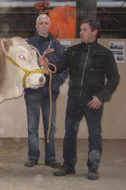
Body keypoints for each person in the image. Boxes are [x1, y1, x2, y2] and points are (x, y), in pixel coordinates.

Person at [41, 19, 120, 180]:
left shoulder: (104, 53)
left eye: (84, 29)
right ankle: (68, 165)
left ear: (94, 32)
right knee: (70, 133)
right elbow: (57, 68)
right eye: (81, 29)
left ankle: (93, 167)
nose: (80, 32)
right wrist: (46, 64)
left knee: (94, 134)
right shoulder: (73, 51)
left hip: (93, 101)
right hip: (74, 100)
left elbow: (114, 78)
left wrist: (101, 97)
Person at [24, 14, 67, 168]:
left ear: (50, 25)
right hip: (32, 92)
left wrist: (52, 73)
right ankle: (33, 157)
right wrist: (37, 62)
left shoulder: (56, 45)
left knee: (50, 127)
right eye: (40, 23)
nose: (43, 25)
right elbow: (22, 67)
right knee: (32, 125)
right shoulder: (28, 45)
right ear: (36, 26)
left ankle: (50, 158)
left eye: (46, 23)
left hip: (50, 93)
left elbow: (64, 68)